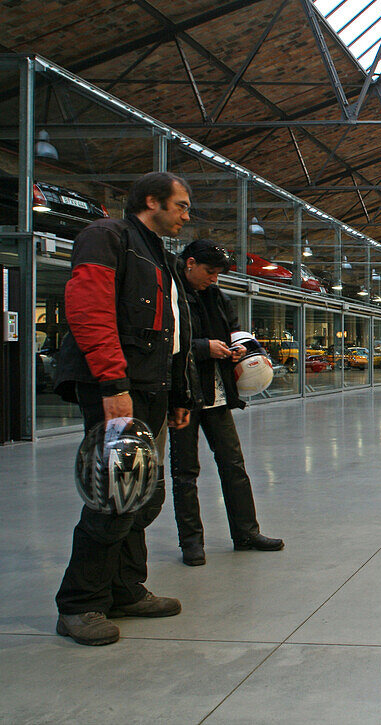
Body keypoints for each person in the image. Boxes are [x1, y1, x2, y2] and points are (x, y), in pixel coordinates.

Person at [51, 172, 195, 646]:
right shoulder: (106, 237)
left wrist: (177, 395)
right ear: (151, 200)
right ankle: (79, 603)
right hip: (116, 388)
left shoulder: (160, 255)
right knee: (114, 495)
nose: (185, 215)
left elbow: (172, 335)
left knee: (143, 497)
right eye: (180, 205)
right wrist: (112, 383)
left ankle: (125, 588)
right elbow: (89, 311)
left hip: (150, 390)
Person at [170, 239, 283, 567]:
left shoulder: (216, 297)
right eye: (209, 271)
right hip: (183, 397)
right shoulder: (171, 295)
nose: (214, 278)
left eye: (218, 273)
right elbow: (166, 342)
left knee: (234, 465)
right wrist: (205, 348)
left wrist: (238, 351)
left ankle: (246, 532)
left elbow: (234, 332)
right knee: (184, 471)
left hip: (217, 396)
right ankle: (191, 542)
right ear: (189, 263)